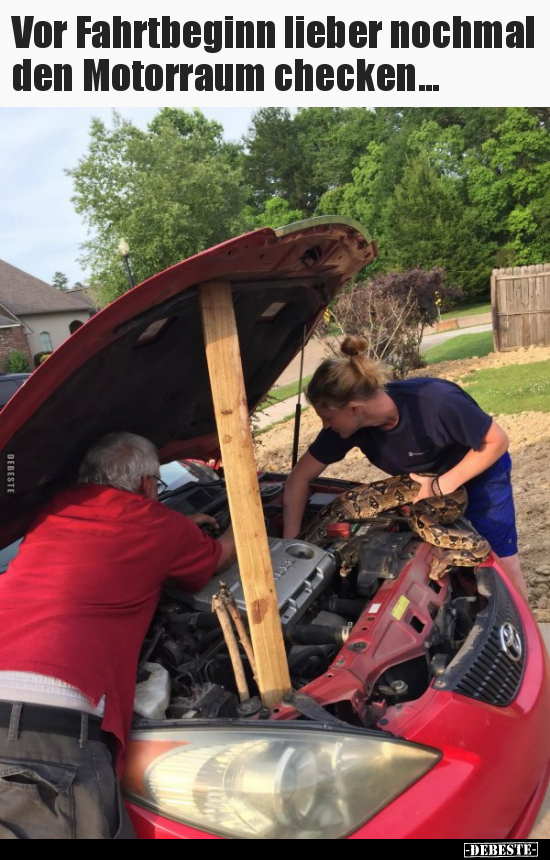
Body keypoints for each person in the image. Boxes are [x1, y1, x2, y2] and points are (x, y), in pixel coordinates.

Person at [0, 431, 236, 839]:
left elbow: (107, 530)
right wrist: (256, 522)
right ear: (147, 485)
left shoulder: (55, 506)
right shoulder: (159, 525)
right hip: (49, 733)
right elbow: (222, 557)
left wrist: (174, 523)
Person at [283, 336, 527, 598]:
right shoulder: (347, 428)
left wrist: (439, 486)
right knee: (450, 567)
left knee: (501, 564)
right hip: (427, 491)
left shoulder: (435, 401)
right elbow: (299, 478)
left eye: (328, 418)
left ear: (355, 408)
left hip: (480, 472)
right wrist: (293, 544)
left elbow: (497, 441)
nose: (325, 426)